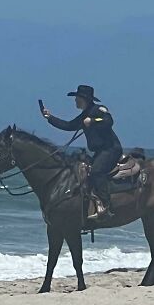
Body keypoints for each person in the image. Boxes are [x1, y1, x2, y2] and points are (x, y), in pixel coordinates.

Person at [41, 85, 122, 219]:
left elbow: (109, 120)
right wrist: (50, 117)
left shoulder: (98, 110)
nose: (75, 101)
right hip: (100, 151)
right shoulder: (84, 115)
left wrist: (93, 121)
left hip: (111, 150)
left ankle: (106, 208)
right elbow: (69, 126)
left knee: (96, 171)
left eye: (77, 98)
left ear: (84, 99)